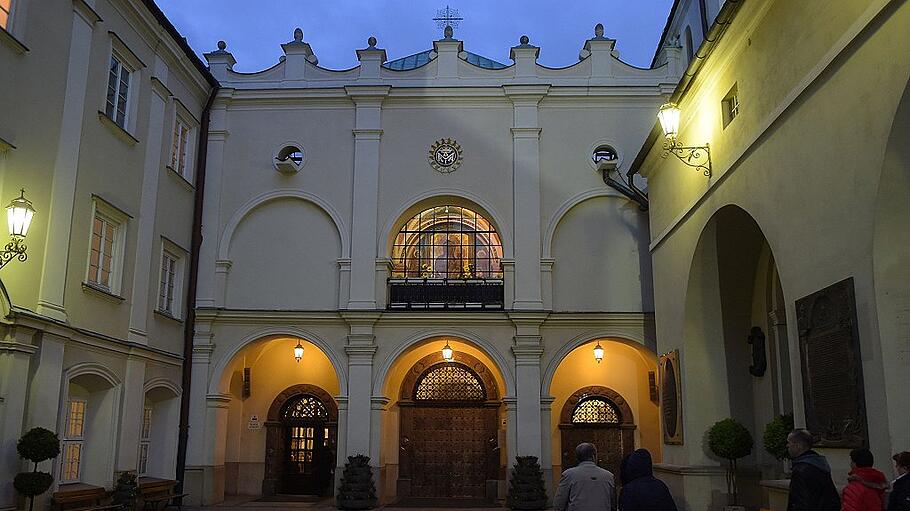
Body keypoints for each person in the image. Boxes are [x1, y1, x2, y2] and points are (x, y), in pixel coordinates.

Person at [786, 429, 840, 511]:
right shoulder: (819, 464)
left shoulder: (801, 470)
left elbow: (801, 503)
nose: (787, 446)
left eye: (789, 442)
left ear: (798, 446)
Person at [554, 443, 614, 511]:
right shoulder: (608, 476)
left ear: (577, 458)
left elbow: (559, 503)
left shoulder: (568, 475)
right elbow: (612, 503)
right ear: (594, 456)